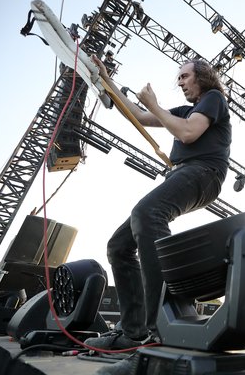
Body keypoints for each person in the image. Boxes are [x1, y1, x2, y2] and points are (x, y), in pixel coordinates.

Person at [85, 55, 231, 373]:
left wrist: (156, 104)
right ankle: (130, 332)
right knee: (119, 246)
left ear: (202, 77)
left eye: (184, 76)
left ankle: (159, 336)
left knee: (147, 214)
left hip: (203, 172)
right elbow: (136, 115)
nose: (179, 82)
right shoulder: (185, 110)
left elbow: (190, 134)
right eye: (178, 77)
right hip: (183, 174)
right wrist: (107, 80)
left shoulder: (213, 99)